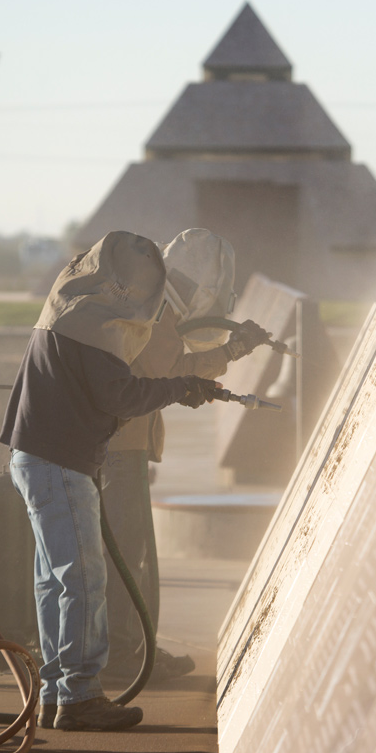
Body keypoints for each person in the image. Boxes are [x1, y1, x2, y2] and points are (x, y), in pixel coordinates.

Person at [0, 230, 218, 732]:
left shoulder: (70, 309)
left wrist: (178, 386)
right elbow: (117, 396)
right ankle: (78, 696)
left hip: (34, 458)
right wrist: (181, 387)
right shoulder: (96, 329)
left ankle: (59, 689)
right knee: (83, 578)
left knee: (54, 580)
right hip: (60, 463)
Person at [101, 228, 269, 682]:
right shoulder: (160, 312)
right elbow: (175, 370)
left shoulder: (149, 299)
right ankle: (126, 657)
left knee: (126, 554)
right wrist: (233, 350)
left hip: (119, 444)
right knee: (127, 556)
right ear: (206, 287)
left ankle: (132, 650)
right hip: (121, 448)